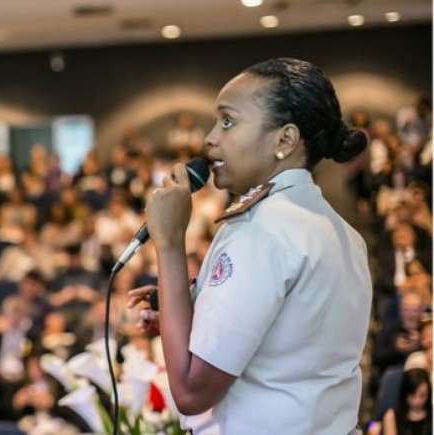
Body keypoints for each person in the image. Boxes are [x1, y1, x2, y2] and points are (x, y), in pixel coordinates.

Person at [128, 58, 371, 434]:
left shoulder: (261, 230)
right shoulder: (341, 232)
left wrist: (170, 243)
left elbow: (192, 391)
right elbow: (289, 346)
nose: (210, 138)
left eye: (228, 121)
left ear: (284, 140)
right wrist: (188, 316)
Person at [378, 368, 432, 435]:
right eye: (412, 396)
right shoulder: (391, 416)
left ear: (429, 393)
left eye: (422, 396)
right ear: (405, 393)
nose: (417, 401)